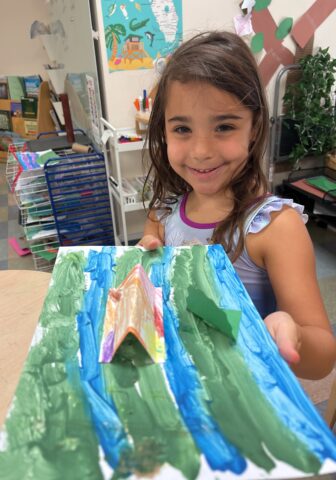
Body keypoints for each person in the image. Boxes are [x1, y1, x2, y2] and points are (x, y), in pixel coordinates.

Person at [138, 31, 335, 380]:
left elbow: (322, 359)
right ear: (164, 131)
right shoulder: (165, 211)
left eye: (224, 126)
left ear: (254, 128)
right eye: (182, 129)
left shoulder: (274, 227)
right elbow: (156, 249)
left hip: (246, 392)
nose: (201, 151)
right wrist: (146, 256)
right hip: (182, 382)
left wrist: (293, 333)